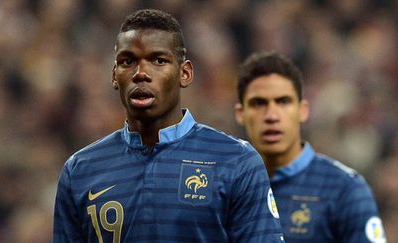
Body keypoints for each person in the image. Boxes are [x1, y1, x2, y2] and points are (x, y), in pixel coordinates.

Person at [53, 9, 284, 242]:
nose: (141, 73)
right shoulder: (80, 170)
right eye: (128, 61)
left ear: (184, 73)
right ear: (114, 75)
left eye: (158, 60)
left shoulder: (236, 161)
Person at [234, 51, 387, 243]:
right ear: (240, 113)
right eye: (258, 103)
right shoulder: (224, 186)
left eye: (283, 102)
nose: (271, 115)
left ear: (303, 110)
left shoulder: (346, 189)